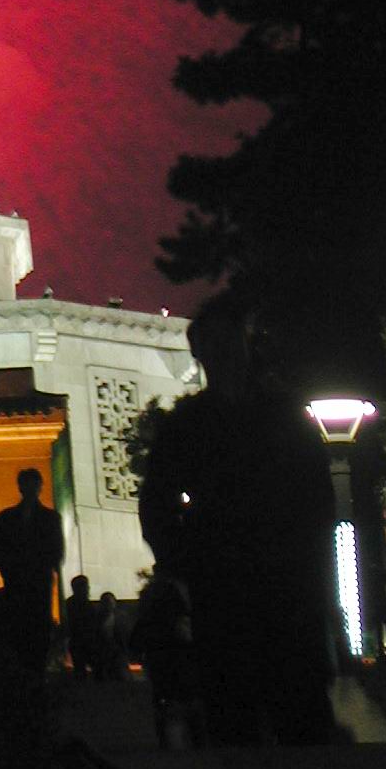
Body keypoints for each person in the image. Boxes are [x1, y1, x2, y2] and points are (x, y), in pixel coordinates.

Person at [138, 296, 336, 746]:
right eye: (214, 345)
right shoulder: (188, 424)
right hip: (224, 587)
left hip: (285, 584)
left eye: (230, 341)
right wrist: (185, 562)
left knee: (300, 716)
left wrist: (306, 557)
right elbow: (156, 502)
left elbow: (316, 497)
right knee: (234, 717)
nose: (224, 354)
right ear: (201, 354)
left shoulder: (283, 415)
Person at [0, 466, 64, 674]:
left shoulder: (51, 519)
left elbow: (56, 551)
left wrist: (40, 567)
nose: (31, 488)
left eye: (34, 484)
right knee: (16, 630)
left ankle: (37, 674)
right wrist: (10, 568)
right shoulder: (6, 518)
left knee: (39, 630)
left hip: (39, 584)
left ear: (40, 487)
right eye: (27, 484)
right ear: (20, 487)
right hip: (15, 582)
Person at [131, 566, 204, 748]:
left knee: (169, 708)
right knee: (186, 706)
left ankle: (172, 744)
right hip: (179, 663)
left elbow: (138, 636)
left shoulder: (152, 602)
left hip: (161, 663)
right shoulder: (177, 599)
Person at [64, 574, 95, 678]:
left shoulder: (69, 604)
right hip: (83, 641)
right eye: (86, 586)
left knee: (80, 669)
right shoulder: (85, 605)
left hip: (78, 641)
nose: (88, 589)